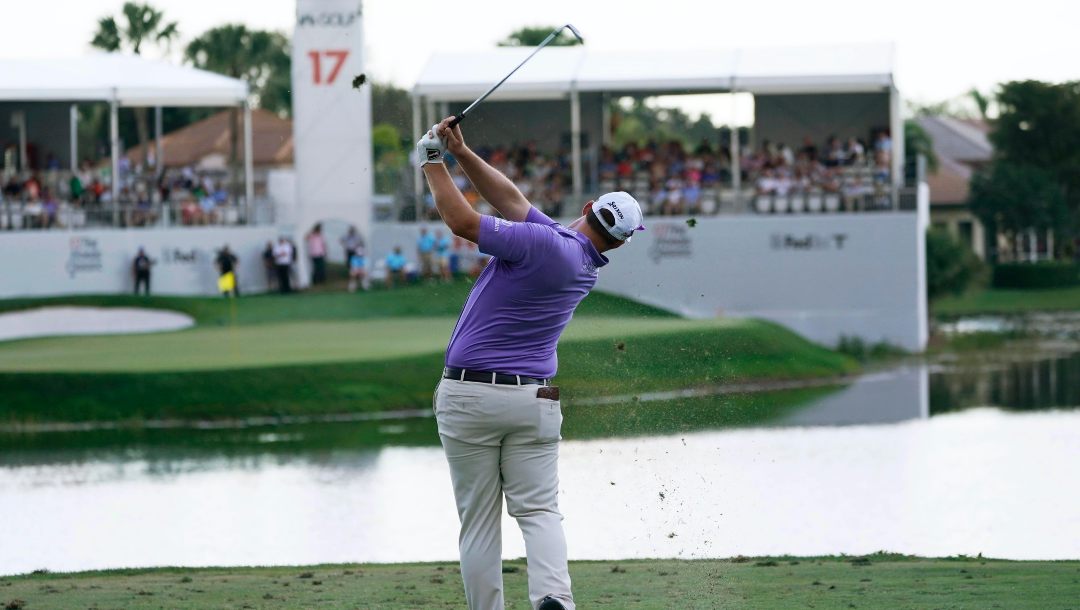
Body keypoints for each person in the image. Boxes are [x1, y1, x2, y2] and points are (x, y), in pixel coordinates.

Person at [418, 117, 645, 610]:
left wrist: (431, 160)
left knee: (479, 523)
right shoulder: (579, 260)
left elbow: (462, 222)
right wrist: (461, 153)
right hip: (533, 401)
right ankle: (554, 599)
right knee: (540, 511)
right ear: (619, 242)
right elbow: (512, 201)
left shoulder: (546, 244)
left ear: (587, 207)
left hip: (470, 395)